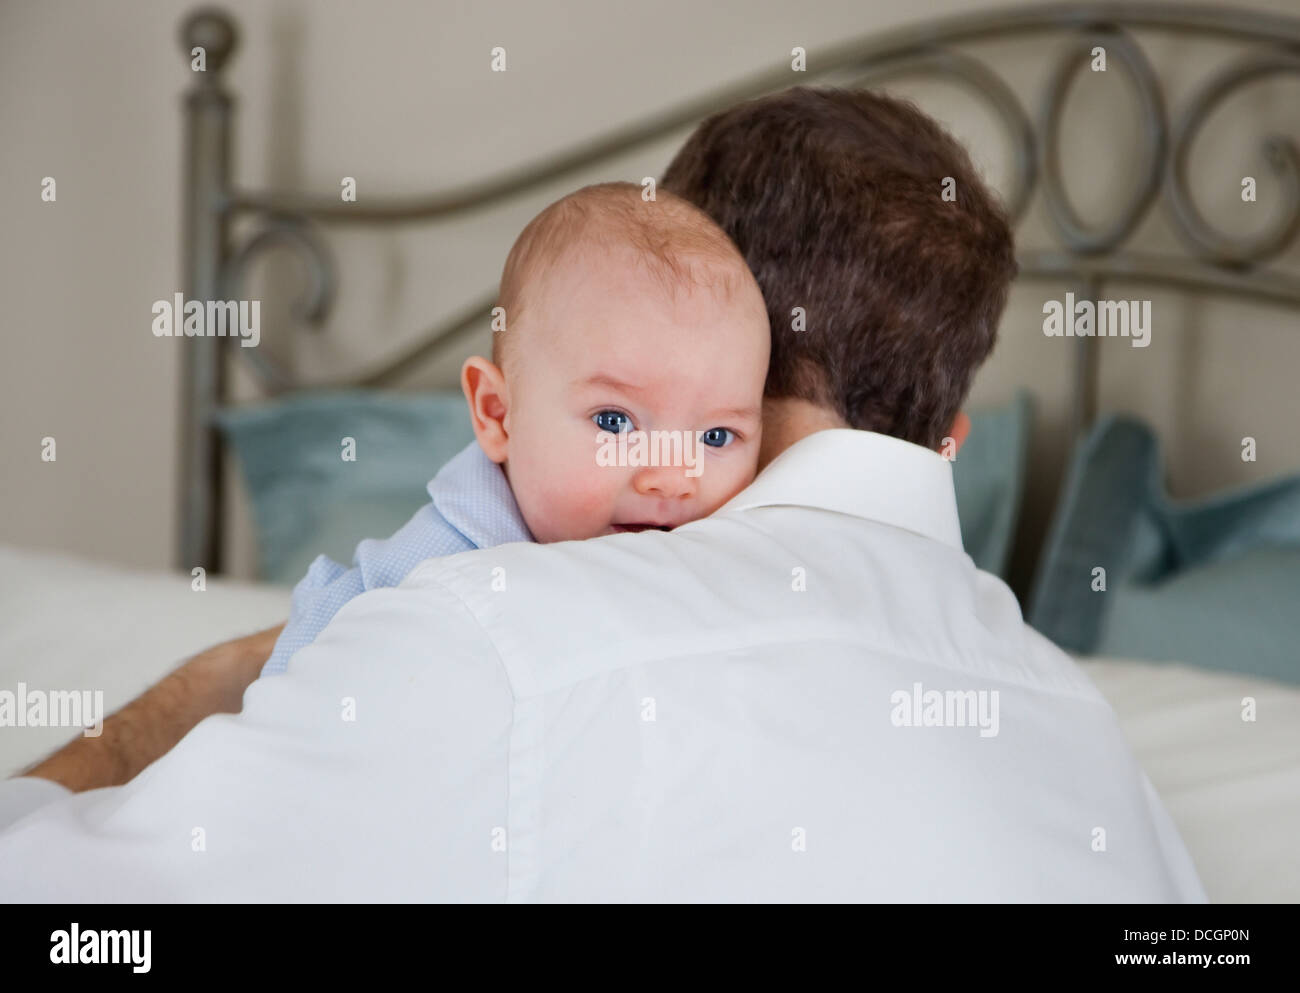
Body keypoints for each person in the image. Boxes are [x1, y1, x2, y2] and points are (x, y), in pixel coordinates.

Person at [0, 87, 1205, 901]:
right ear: (950, 432)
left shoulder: (488, 631)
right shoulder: (1102, 762)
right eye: (609, 420)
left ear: (727, 332)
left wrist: (170, 711)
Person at [263, 180, 770, 676]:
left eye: (715, 437)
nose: (673, 477)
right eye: (615, 422)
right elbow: (296, 721)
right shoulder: (422, 579)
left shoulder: (722, 581)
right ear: (497, 414)